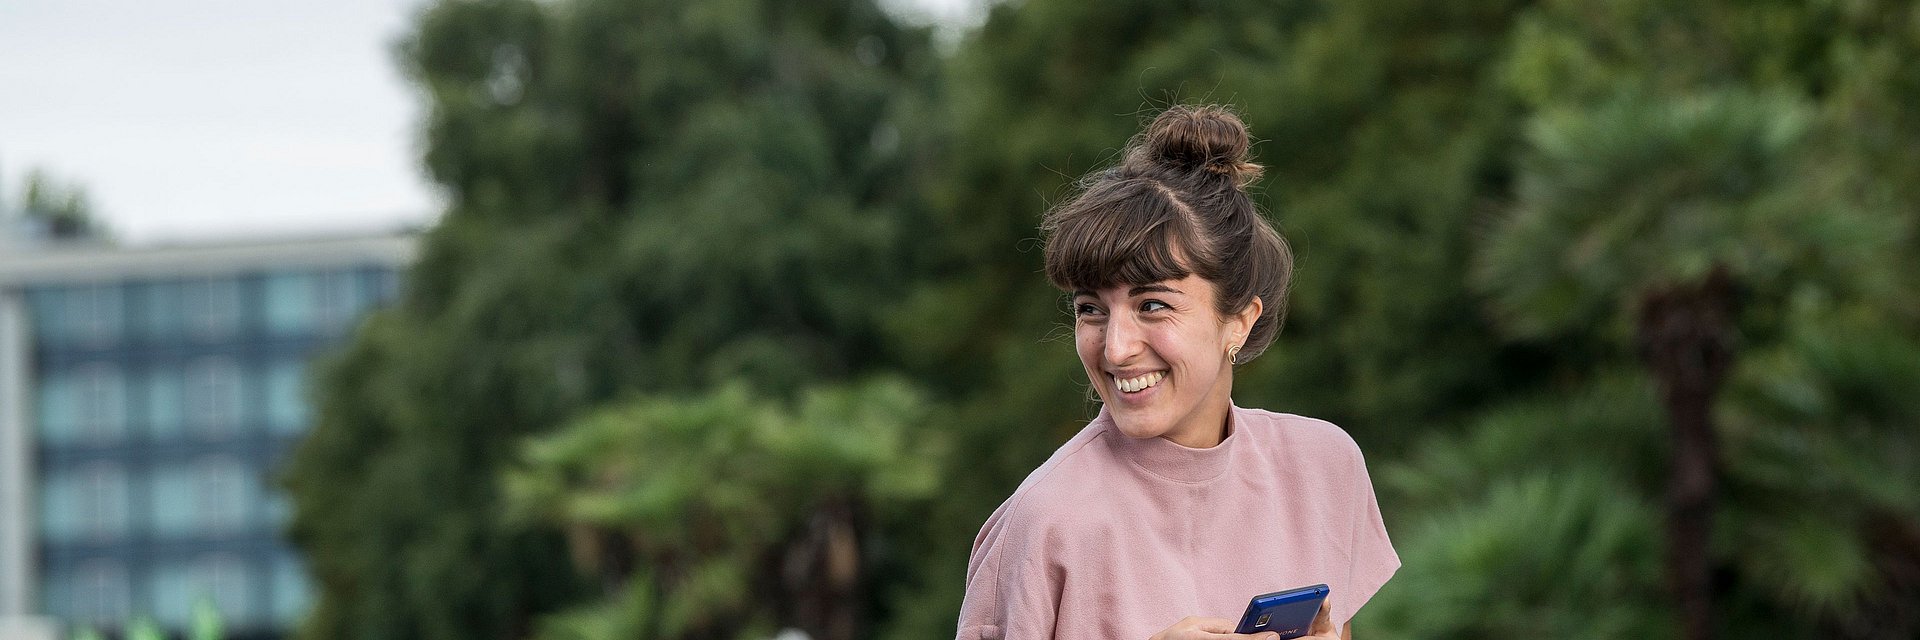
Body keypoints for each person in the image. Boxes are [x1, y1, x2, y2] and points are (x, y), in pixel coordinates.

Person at [954, 105, 1399, 640]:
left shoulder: (1324, 468)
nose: (1115, 350)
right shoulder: (1043, 522)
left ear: (1238, 320)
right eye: (1091, 308)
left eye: (1152, 305)